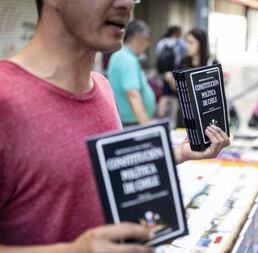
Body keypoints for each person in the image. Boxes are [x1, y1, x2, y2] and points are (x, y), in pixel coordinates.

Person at [0, 0, 230, 252]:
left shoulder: (103, 88)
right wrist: (76, 250)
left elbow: (99, 173)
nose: (126, 3)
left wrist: (180, 153)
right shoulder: (6, 98)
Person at [108, 20, 155, 126]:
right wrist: (147, 126)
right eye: (146, 39)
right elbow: (132, 94)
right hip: (131, 124)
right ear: (138, 37)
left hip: (129, 122)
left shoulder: (122, 55)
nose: (147, 44)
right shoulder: (126, 59)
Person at [156, 26, 185, 125]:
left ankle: (161, 116)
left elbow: (158, 56)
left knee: (164, 94)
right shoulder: (178, 42)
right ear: (176, 33)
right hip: (173, 72)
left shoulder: (161, 42)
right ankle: (172, 120)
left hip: (164, 72)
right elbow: (179, 57)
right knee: (174, 96)